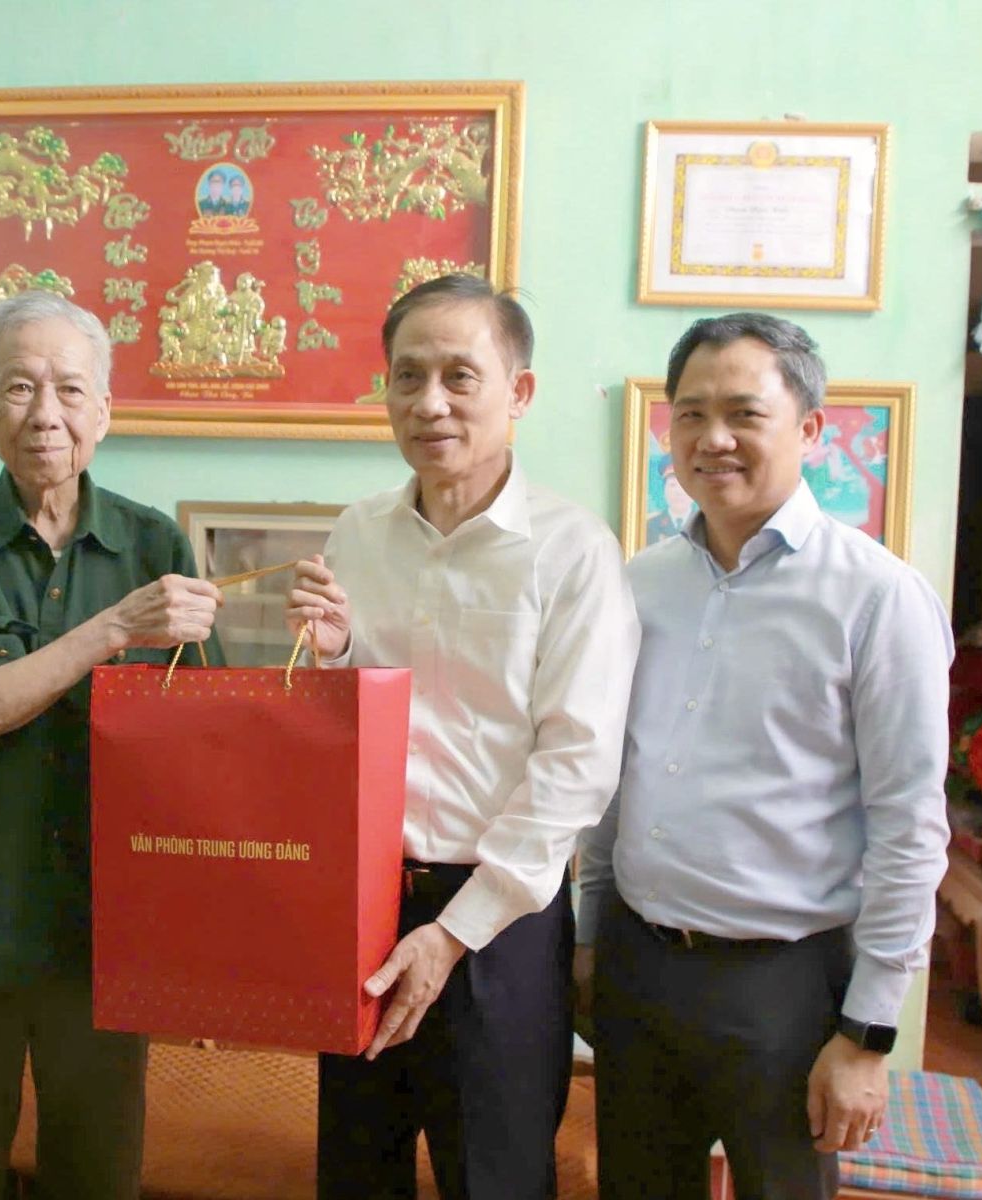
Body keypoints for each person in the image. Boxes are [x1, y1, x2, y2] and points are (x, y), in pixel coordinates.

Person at [575, 312, 953, 1200]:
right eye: (691, 414)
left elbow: (908, 825)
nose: (713, 438)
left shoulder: (877, 598)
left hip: (785, 988)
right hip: (637, 965)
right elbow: (614, 781)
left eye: (744, 413)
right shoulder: (640, 583)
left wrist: (868, 1034)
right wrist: (589, 938)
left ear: (810, 429)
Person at [286, 274, 640, 1199]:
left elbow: (576, 769)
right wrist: (334, 655)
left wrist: (451, 936)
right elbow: (338, 735)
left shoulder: (574, 551)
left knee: (496, 1177)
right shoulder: (359, 533)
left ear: (518, 392)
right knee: (355, 1170)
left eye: (459, 376)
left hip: (500, 923)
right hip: (364, 908)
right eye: (407, 377)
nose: (429, 402)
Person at [0, 291, 223, 1200]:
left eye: (70, 389)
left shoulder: (153, 542)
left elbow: (204, 736)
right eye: (19, 386)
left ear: (103, 411)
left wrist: (325, 642)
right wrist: (111, 630)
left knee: (97, 1178)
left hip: (108, 932)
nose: (45, 414)